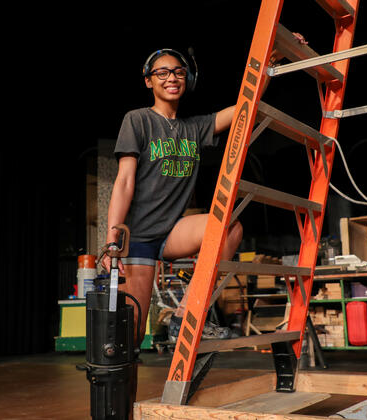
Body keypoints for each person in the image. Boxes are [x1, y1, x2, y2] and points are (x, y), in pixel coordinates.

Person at [102, 34, 306, 398]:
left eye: (178, 72)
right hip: (139, 240)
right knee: (127, 342)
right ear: (148, 80)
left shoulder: (194, 128)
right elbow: (125, 181)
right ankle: (123, 409)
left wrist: (272, 65)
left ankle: (187, 311)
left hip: (173, 231)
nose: (171, 78)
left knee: (229, 226)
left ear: (188, 79)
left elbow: (246, 106)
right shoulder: (137, 120)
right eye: (162, 73)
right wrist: (112, 237)